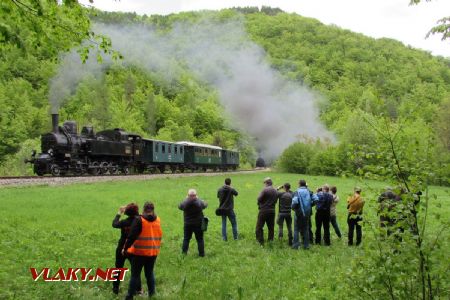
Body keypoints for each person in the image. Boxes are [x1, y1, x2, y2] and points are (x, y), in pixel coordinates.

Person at [123, 202, 162, 299]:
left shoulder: (139, 220)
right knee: (149, 273)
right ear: (153, 210)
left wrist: (125, 248)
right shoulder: (157, 219)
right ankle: (152, 294)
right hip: (153, 252)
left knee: (135, 275)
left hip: (139, 253)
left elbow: (131, 236)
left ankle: (129, 296)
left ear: (143, 209)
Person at [112, 203, 142, 295]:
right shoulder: (140, 221)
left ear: (127, 213)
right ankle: (138, 289)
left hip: (122, 247)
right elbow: (140, 215)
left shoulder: (124, 222)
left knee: (118, 268)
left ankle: (115, 289)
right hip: (134, 247)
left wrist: (119, 212)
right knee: (135, 269)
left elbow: (114, 224)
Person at [178, 189, 208, 256]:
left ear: (188, 195)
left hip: (188, 224)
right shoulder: (199, 202)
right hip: (198, 224)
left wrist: (186, 199)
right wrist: (199, 199)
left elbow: (179, 206)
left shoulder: (185, 202)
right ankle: (201, 254)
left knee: (186, 239)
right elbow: (205, 205)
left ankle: (184, 253)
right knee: (200, 239)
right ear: (196, 195)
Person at [291, 179, 317, 249]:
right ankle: (306, 245)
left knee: (296, 229)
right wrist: (310, 205)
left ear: (299, 184)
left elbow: (295, 202)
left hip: (298, 213)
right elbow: (316, 199)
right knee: (306, 229)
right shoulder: (309, 191)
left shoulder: (296, 192)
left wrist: (293, 208)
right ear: (305, 184)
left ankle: (295, 245)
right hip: (307, 213)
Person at [255, 177, 278, 245]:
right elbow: (276, 201)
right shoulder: (275, 191)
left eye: (264, 183)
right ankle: (270, 240)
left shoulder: (265, 190)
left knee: (259, 227)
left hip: (264, 210)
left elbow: (259, 199)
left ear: (266, 183)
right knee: (271, 227)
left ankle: (260, 241)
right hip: (272, 211)